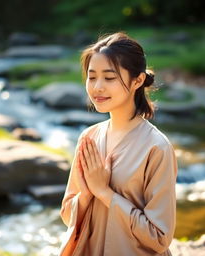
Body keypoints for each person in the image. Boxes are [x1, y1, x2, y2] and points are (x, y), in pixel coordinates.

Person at [59, 32, 178, 256]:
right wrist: (86, 194)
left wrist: (104, 193)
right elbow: (67, 215)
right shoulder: (89, 137)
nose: (98, 87)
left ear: (138, 80)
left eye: (109, 77)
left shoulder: (156, 148)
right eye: (92, 77)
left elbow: (159, 237)